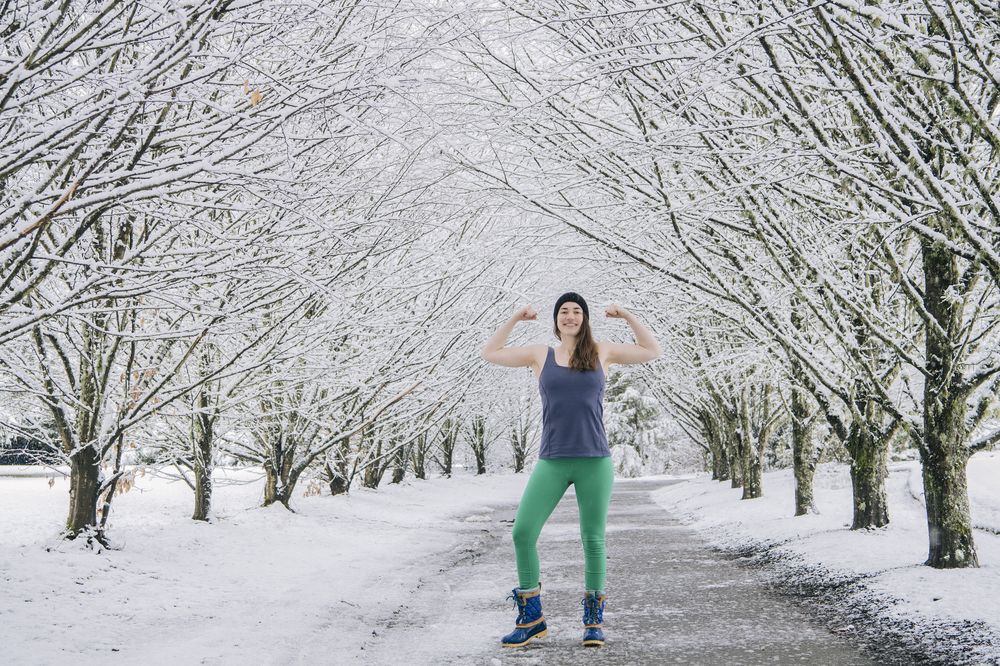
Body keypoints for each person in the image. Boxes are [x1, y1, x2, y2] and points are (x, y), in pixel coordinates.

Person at [480, 292, 661, 648]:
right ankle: (532, 617)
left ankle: (593, 621)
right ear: (556, 319)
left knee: (593, 539)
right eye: (564, 311)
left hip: (595, 460)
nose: (570, 316)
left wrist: (625, 313)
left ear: (585, 318)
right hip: (553, 459)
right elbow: (490, 353)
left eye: (577, 311)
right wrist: (517, 317)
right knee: (523, 532)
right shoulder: (539, 355)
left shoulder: (602, 351)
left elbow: (651, 349)